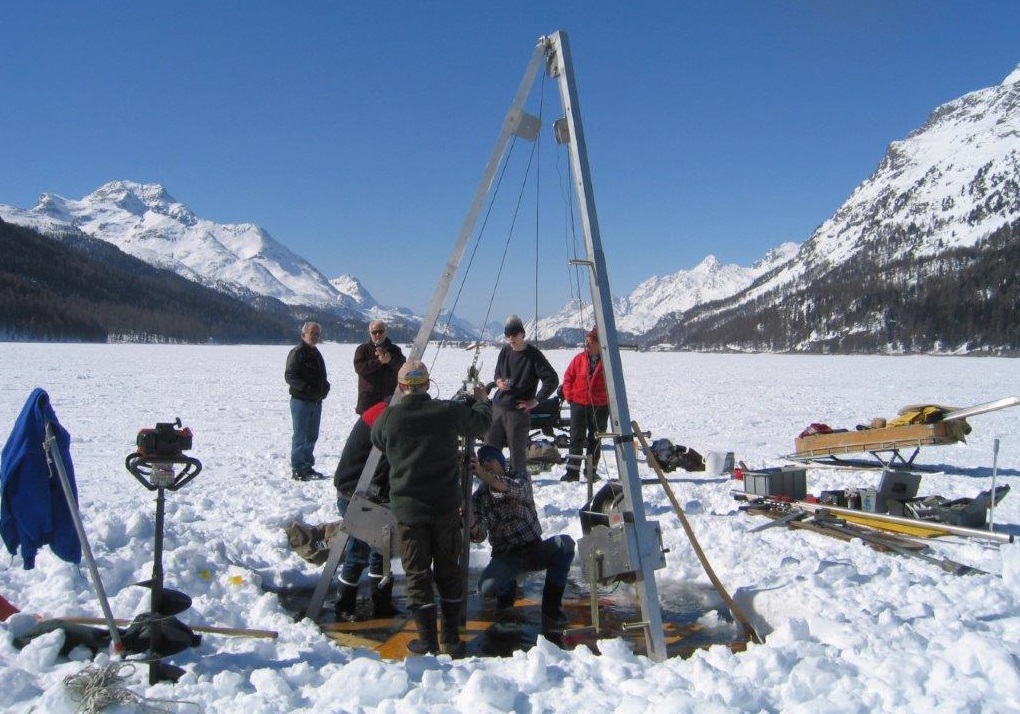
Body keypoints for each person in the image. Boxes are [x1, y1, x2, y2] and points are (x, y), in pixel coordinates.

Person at [370, 360, 491, 656]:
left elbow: (378, 440)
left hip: (409, 512)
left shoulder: (389, 418)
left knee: (417, 574)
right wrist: (483, 401)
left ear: (401, 387)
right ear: (427, 383)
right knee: (449, 571)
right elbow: (481, 423)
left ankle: (427, 640)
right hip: (445, 507)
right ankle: (450, 638)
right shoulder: (447, 411)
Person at [470, 444, 575, 634]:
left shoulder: (520, 477)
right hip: (506, 556)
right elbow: (480, 534)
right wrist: (470, 524)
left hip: (534, 549)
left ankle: (551, 608)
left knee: (565, 544)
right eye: (482, 463)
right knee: (486, 588)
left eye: (489, 461)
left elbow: (511, 489)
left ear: (501, 463)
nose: (486, 465)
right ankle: (505, 603)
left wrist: (483, 475)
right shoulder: (478, 498)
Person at [332, 400, 397, 622]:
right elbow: (384, 464)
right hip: (356, 493)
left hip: (371, 493)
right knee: (358, 550)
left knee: (382, 549)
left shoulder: (387, 412)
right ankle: (344, 605)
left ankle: (381, 603)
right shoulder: (386, 418)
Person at [485, 315, 558, 475]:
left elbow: (552, 380)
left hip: (518, 412)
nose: (511, 339)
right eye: (507, 336)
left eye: (514, 335)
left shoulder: (534, 355)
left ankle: (518, 488)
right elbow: (497, 372)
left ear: (522, 334)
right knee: (490, 451)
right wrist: (498, 382)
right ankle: (490, 485)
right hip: (498, 408)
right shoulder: (505, 351)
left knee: (517, 456)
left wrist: (536, 401)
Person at [560, 326, 610, 482]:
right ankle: (572, 471)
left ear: (598, 343)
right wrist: (570, 396)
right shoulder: (579, 359)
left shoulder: (607, 361)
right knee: (576, 437)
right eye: (586, 342)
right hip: (579, 404)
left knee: (595, 439)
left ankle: (591, 471)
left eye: (590, 342)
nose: (586, 345)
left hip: (599, 406)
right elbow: (568, 378)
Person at [285, 321, 330, 481]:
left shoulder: (315, 353)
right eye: (312, 333)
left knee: (312, 435)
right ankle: (297, 468)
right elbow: (290, 376)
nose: (315, 336)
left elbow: (321, 375)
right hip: (301, 401)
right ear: (304, 334)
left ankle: (307, 466)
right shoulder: (298, 352)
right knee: (300, 435)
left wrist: (325, 387)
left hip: (316, 402)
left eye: (318, 334)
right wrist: (306, 388)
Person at [353, 320, 406, 415]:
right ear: (370, 333)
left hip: (390, 399)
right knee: (367, 429)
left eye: (380, 331)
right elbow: (360, 369)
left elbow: (404, 369)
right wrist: (379, 362)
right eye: (374, 332)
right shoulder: (362, 350)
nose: (377, 334)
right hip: (368, 400)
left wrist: (390, 360)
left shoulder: (395, 350)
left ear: (386, 331)